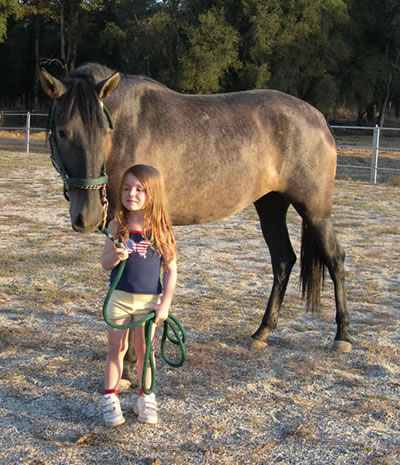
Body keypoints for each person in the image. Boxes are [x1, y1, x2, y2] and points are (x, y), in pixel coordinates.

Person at [101, 164, 177, 427]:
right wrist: (115, 255)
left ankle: (146, 397)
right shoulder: (116, 225)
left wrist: (165, 304)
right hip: (119, 299)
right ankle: (110, 398)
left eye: (139, 189)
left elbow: (171, 269)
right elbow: (104, 262)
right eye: (126, 188)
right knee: (116, 349)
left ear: (152, 194)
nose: (131, 194)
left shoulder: (161, 228)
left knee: (145, 351)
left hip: (148, 302)